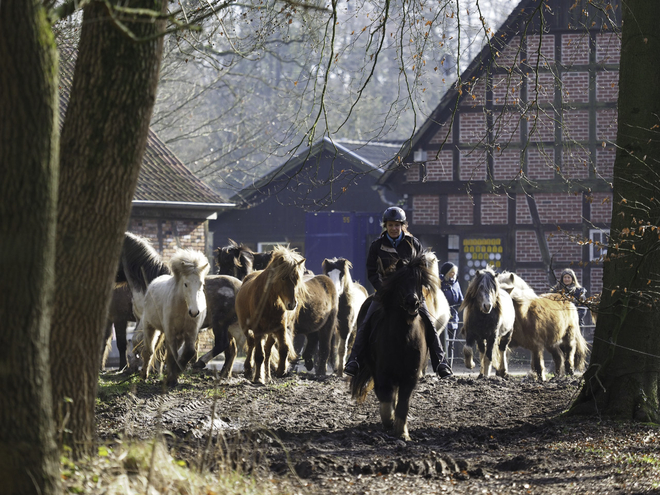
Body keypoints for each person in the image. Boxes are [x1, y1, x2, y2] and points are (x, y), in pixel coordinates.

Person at [343, 206, 453, 378]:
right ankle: (354, 359)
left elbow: (421, 270)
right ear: (385, 226)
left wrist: (416, 289)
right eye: (391, 225)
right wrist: (384, 289)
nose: (394, 228)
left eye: (397, 225)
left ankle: (440, 362)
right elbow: (371, 272)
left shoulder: (414, 243)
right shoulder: (377, 246)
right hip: (385, 291)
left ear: (403, 226)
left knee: (429, 322)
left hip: (410, 293)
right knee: (366, 321)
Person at [440, 262, 463, 361]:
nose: (453, 274)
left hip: (453, 317)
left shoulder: (456, 284)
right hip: (441, 316)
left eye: (454, 272)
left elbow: (460, 299)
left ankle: (450, 365)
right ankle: (441, 363)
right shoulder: (439, 283)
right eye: (451, 272)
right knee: (441, 343)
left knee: (451, 343)